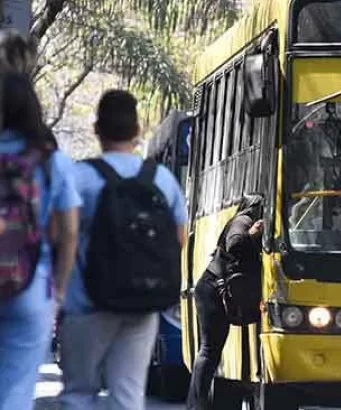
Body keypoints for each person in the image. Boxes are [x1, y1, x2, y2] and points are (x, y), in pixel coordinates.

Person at [59, 90, 187, 410]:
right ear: (137, 130)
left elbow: (62, 236)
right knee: (128, 396)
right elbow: (179, 238)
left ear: (97, 130)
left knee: (79, 394)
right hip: (142, 304)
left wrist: (59, 289)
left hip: (86, 304)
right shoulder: (162, 180)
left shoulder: (80, 177)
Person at [0, 72, 81, 409]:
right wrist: (59, 290)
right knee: (17, 389)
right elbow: (70, 232)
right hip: (32, 282)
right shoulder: (51, 161)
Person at [187, 195, 264, 410]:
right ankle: (196, 405)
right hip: (211, 291)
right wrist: (253, 235)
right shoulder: (244, 220)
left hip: (217, 290)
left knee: (212, 350)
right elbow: (235, 244)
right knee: (209, 350)